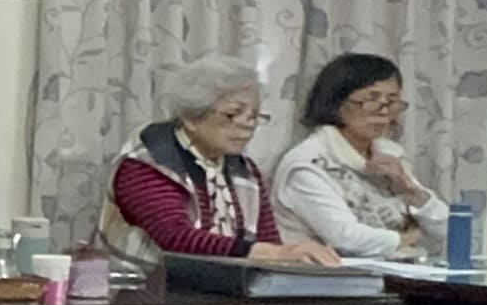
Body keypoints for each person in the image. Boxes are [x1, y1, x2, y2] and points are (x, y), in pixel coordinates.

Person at [105, 57, 344, 264]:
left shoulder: (244, 169)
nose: (247, 125)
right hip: (146, 288)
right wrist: (271, 253)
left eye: (254, 116)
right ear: (191, 118)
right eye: (233, 114)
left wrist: (287, 255)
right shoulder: (147, 161)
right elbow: (175, 237)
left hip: (220, 289)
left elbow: (268, 240)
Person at [272, 53, 449, 261]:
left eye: (392, 102)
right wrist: (409, 238)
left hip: (402, 273)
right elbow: (346, 238)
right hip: (331, 277)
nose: (383, 111)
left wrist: (410, 190)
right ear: (336, 103)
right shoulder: (307, 163)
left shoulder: (389, 154)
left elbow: (448, 232)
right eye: (371, 100)